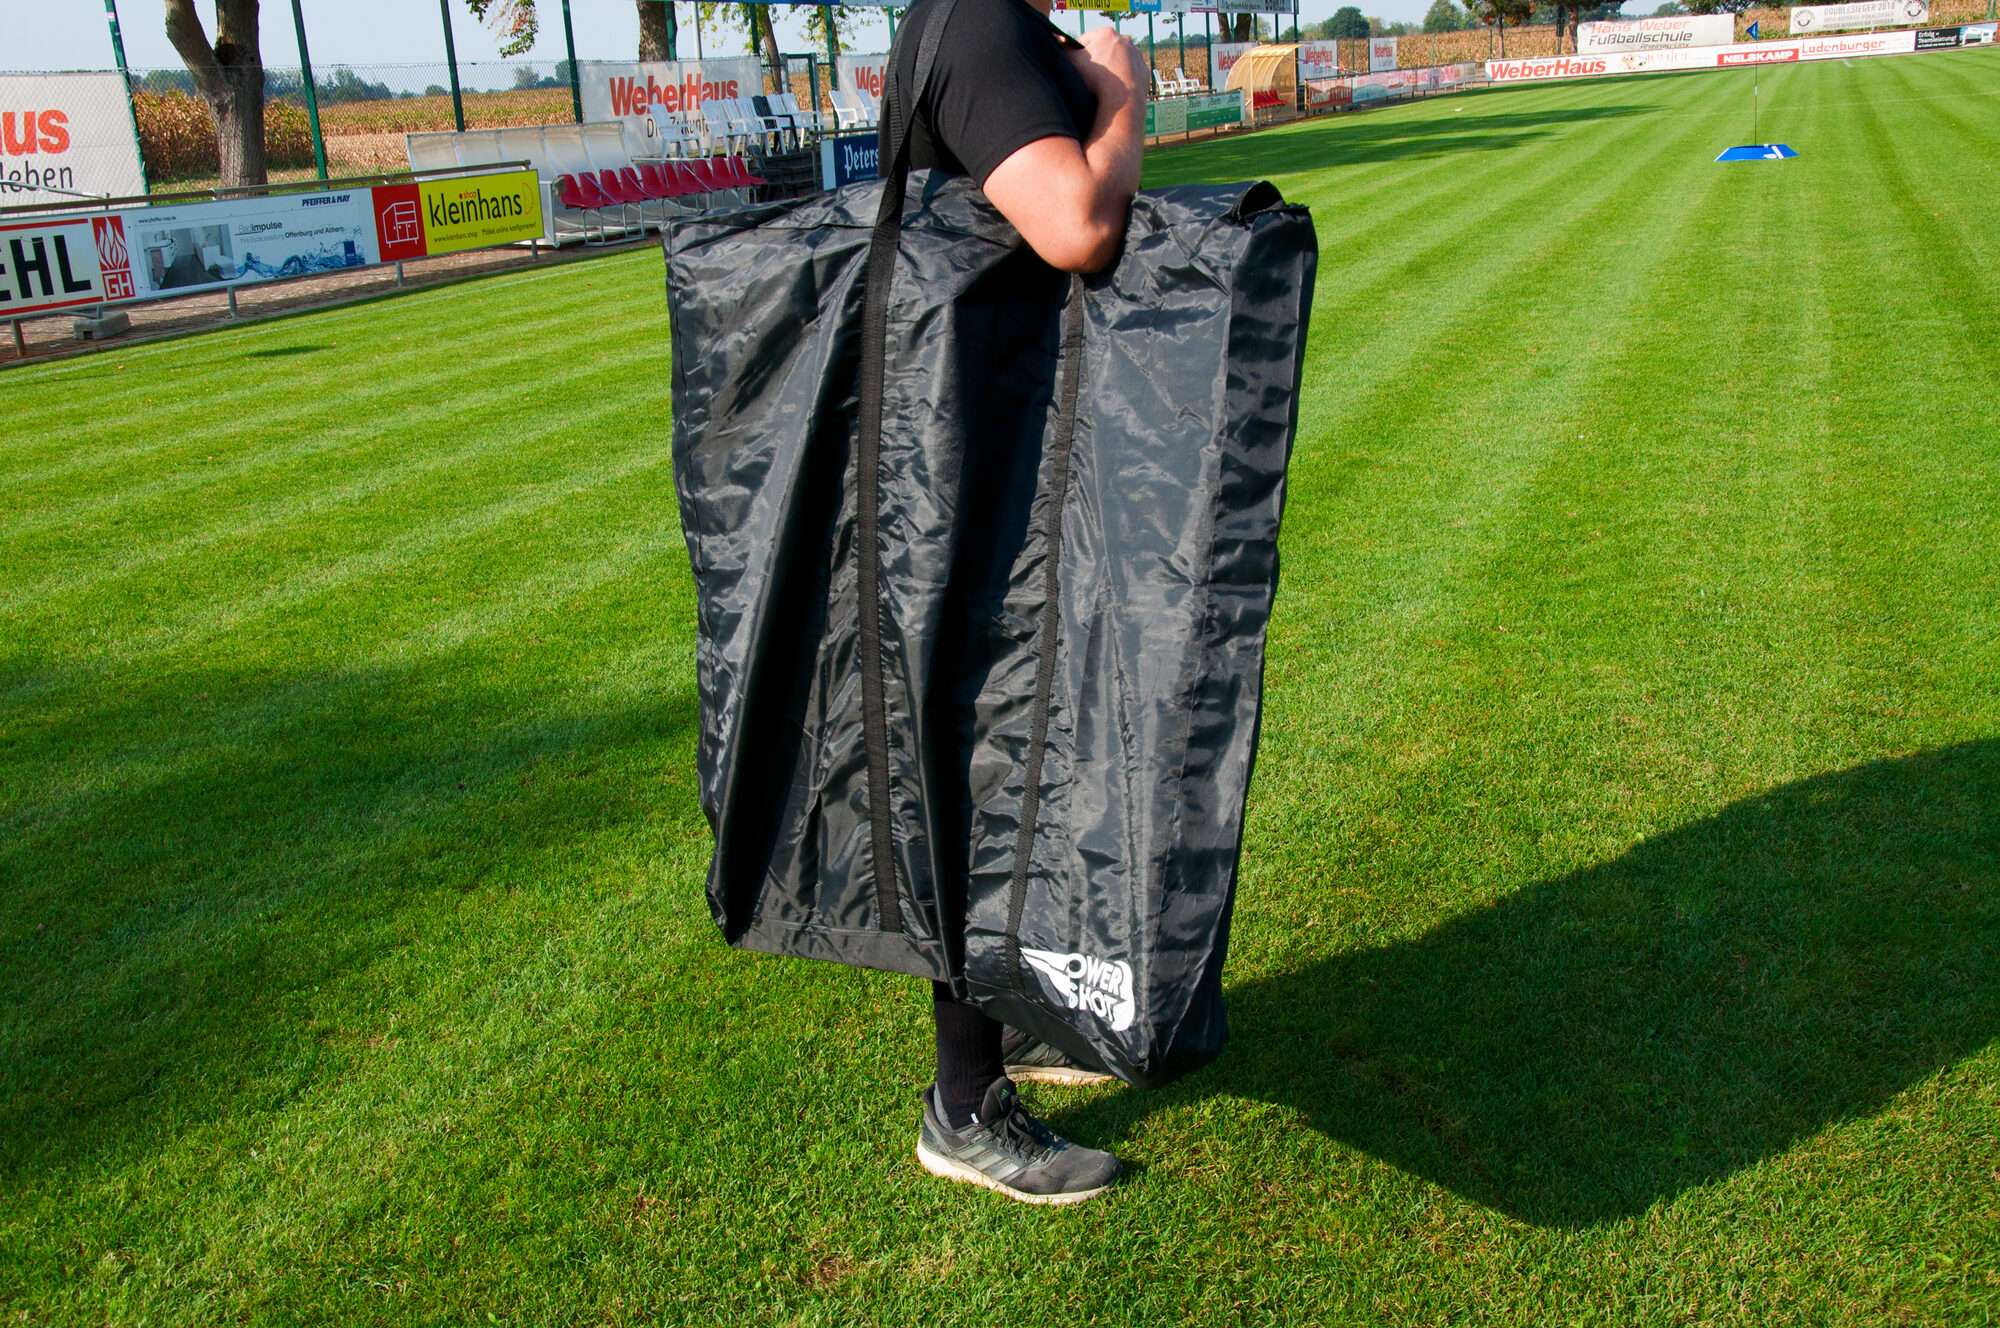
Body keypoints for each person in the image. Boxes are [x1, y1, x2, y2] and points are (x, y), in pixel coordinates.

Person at [884, 0, 1148, 1205]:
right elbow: (1075, 225)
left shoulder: (998, 26)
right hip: (972, 460)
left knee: (1022, 744)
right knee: (980, 762)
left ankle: (1021, 1009)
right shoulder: (979, 27)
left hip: (999, 441)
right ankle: (963, 1103)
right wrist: (1122, 94)